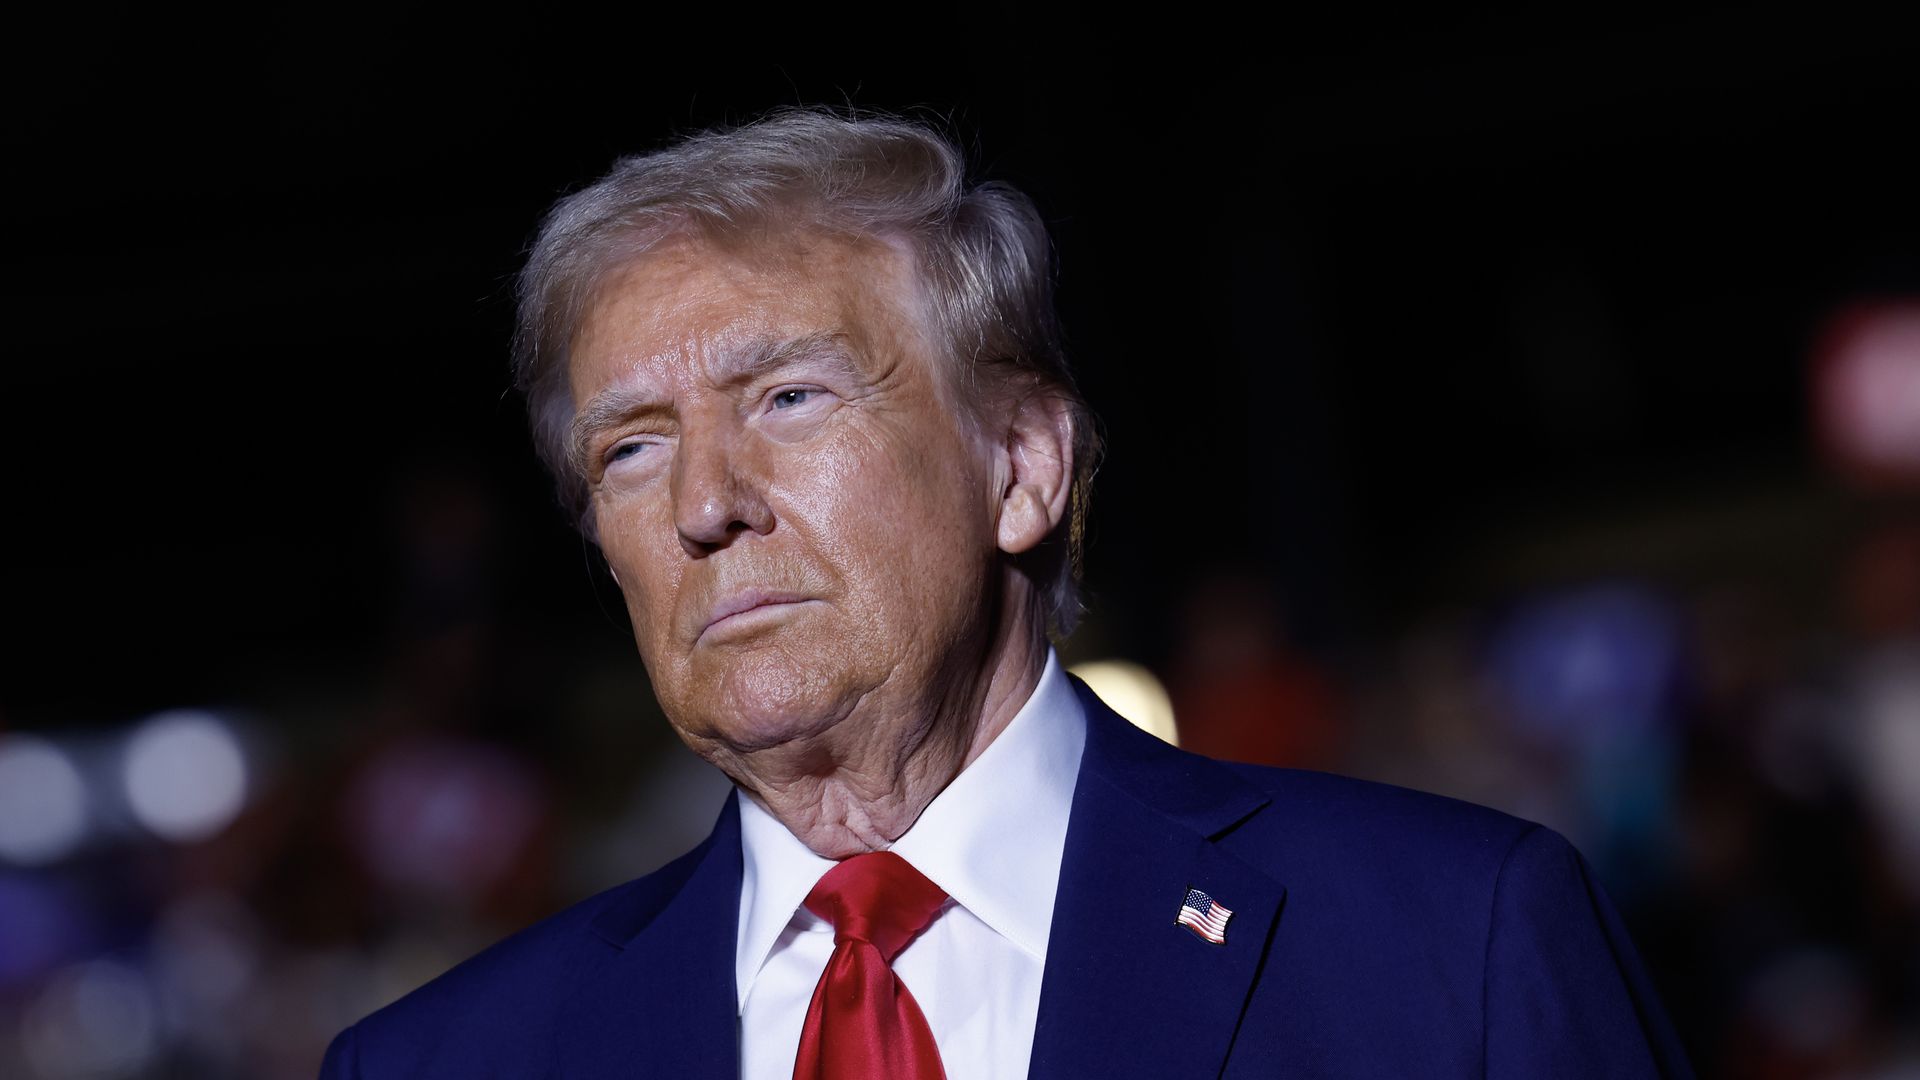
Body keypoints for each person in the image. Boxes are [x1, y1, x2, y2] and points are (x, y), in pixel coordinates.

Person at [320, 109, 1693, 1079]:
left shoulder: (1449, 946)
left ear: (1022, 465)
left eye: (788, 397)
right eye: (631, 448)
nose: (703, 503)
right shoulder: (447, 1061)